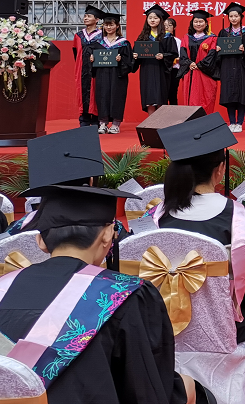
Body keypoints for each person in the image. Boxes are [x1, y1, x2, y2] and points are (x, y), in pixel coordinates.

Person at [0, 128, 197, 404]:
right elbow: (147, 390)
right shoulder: (127, 297)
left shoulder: (3, 289)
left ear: (41, 242)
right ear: (107, 236)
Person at [154, 113, 245, 345]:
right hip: (223, 326)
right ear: (220, 169)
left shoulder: (155, 218)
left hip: (161, 325)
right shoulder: (238, 218)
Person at [212, 2, 245, 133]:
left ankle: (239, 123)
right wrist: (217, 50)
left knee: (241, 94)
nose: (233, 18)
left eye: (236, 16)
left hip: (240, 67)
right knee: (228, 95)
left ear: (241, 17)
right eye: (231, 16)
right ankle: (232, 122)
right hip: (226, 67)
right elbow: (217, 55)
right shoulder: (223, 33)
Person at [89, 12, 132, 134]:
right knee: (102, 96)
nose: (108, 27)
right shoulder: (97, 43)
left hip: (117, 76)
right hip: (102, 74)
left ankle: (115, 124)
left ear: (117, 26)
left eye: (111, 25)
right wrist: (92, 60)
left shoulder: (123, 43)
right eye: (106, 25)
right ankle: (102, 123)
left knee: (117, 97)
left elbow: (130, 62)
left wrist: (121, 60)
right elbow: (92, 63)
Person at [131, 4, 178, 115]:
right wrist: (135, 57)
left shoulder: (167, 36)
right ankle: (151, 122)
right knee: (149, 98)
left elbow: (173, 53)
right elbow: (136, 54)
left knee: (160, 96)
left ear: (161, 20)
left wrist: (163, 56)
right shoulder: (143, 37)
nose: (152, 20)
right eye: (150, 18)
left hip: (161, 70)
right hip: (147, 69)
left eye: (155, 18)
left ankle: (161, 121)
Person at [179, 10, 219, 114]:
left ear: (206, 23)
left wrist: (199, 65)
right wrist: (190, 63)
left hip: (206, 74)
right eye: (196, 21)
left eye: (201, 21)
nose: (198, 24)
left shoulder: (212, 38)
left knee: (206, 98)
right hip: (190, 72)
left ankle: (205, 121)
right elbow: (183, 54)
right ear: (192, 23)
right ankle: (191, 122)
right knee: (190, 99)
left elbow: (212, 55)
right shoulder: (186, 37)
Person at [72, 4, 102, 127]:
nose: (85, 18)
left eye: (89, 16)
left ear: (97, 19)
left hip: (97, 69)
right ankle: (84, 117)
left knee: (96, 91)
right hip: (82, 69)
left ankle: (96, 118)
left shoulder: (102, 35)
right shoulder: (78, 35)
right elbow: (75, 52)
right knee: (82, 91)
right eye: (85, 16)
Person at [164, 17, 184, 106]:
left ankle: (174, 113)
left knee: (172, 93)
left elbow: (181, 57)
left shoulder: (177, 41)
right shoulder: (159, 39)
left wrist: (171, 59)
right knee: (162, 94)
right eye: (164, 25)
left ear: (174, 27)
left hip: (173, 70)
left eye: (169, 25)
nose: (166, 27)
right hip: (163, 70)